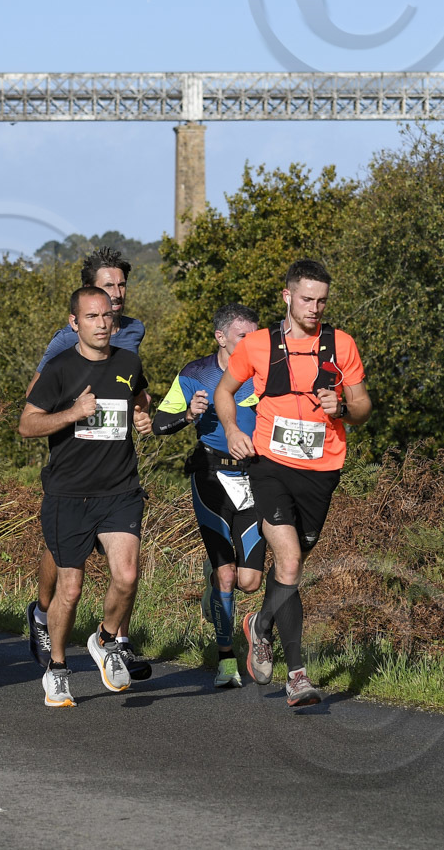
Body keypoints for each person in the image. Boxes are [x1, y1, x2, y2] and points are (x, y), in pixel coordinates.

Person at [214, 259, 371, 706]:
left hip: (322, 470)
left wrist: (342, 409)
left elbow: (363, 406)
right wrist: (232, 430)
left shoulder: (341, 344)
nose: (314, 308)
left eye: (322, 300)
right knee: (289, 560)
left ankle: (259, 624)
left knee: (291, 569)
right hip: (270, 465)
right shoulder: (259, 344)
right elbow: (225, 392)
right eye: (306, 299)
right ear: (287, 296)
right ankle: (297, 675)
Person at [18, 285, 153, 707]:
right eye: (92, 317)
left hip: (120, 489)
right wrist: (74, 412)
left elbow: (140, 397)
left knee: (126, 576)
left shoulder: (128, 362)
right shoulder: (59, 368)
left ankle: (106, 640)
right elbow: (27, 424)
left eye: (107, 316)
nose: (102, 324)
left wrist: (143, 414)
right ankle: (57, 668)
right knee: (71, 589)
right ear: (74, 323)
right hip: (69, 494)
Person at [151, 303, 262, 688]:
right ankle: (226, 659)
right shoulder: (195, 373)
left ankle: (221, 592)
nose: (252, 342)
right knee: (227, 573)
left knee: (250, 581)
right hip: (211, 475)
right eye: (243, 336)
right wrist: (188, 415)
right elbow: (158, 424)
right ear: (221, 337)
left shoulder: (263, 373)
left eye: (255, 335)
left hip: (253, 477)